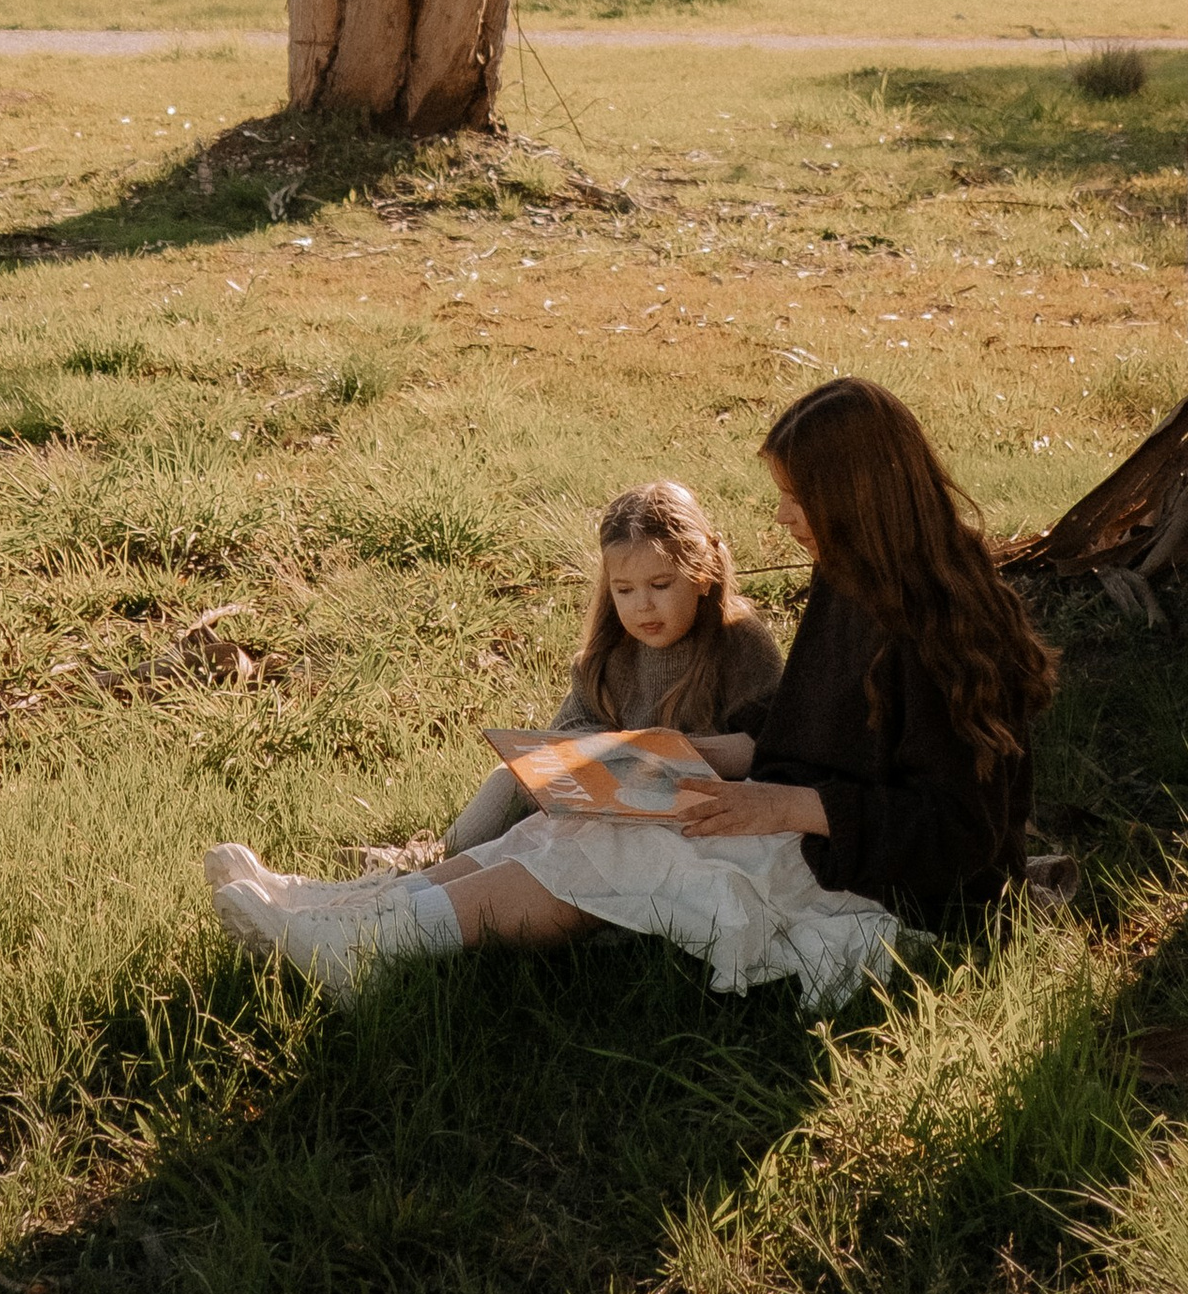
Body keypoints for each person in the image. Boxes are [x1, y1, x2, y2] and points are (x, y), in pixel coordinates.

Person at [206, 379, 1055, 1003]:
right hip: (806, 822)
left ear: (861, 498)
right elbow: (824, 724)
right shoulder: (857, 575)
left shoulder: (942, 625)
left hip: (890, 883)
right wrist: (701, 754)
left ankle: (371, 943)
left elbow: (962, 833)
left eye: (801, 499)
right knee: (583, 811)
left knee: (610, 847)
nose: (787, 517)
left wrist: (784, 806)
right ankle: (342, 912)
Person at [440, 477, 786, 854]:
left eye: (660, 585)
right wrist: (602, 749)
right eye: (625, 590)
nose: (643, 605)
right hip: (616, 796)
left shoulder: (739, 641)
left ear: (702, 576)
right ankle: (436, 856)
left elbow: (772, 746)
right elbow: (568, 730)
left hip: (701, 807)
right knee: (512, 777)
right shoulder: (614, 649)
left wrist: (674, 749)